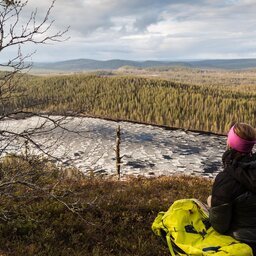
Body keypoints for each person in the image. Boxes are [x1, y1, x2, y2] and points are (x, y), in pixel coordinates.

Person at [208, 122, 256, 254]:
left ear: (229, 143)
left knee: (210, 200)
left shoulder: (225, 180)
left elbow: (220, 226)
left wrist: (211, 204)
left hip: (243, 241)